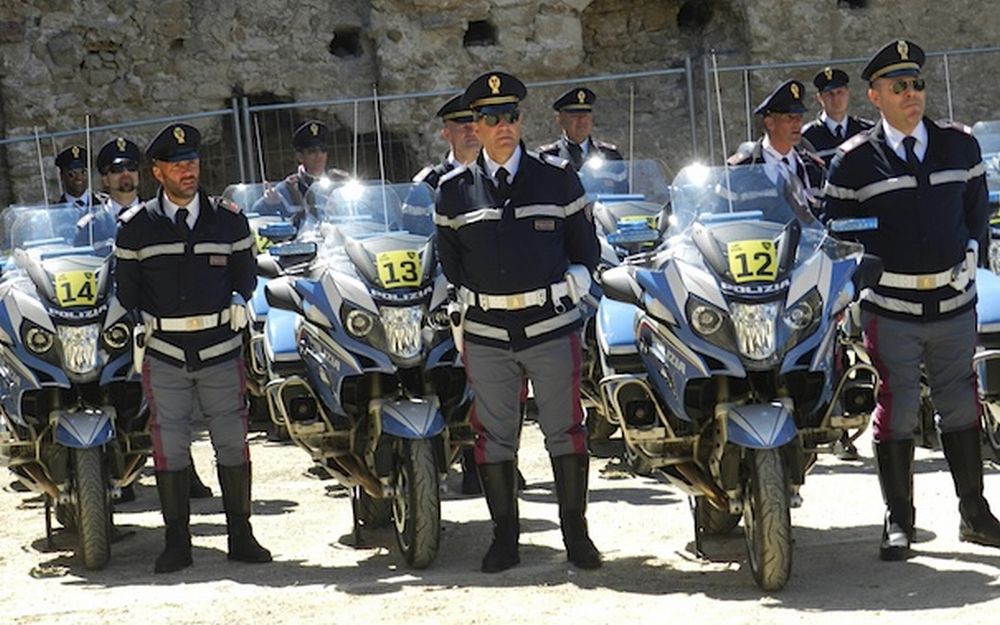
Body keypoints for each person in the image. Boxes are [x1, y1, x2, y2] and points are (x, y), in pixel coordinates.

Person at [822, 39, 1000, 560]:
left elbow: (975, 208)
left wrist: (973, 248)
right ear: (874, 96)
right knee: (896, 407)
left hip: (952, 301)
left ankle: (975, 512)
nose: (911, 94)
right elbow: (835, 229)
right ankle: (899, 518)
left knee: (961, 403)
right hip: (891, 308)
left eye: (917, 84)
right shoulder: (853, 163)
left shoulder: (959, 145)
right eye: (898, 87)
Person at [435, 71, 601, 572]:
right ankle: (505, 539)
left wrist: (577, 277)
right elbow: (451, 261)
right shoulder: (452, 191)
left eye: (510, 116)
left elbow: (585, 249)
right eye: (490, 118)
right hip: (487, 333)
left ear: (520, 121)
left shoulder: (556, 177)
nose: (502, 125)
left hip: (549, 326)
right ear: (475, 128)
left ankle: (576, 535)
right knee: (494, 436)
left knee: (565, 430)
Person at [114, 123, 271, 573]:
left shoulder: (229, 218)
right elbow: (129, 292)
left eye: (193, 161)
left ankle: (241, 536)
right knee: (171, 445)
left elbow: (245, 275)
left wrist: (241, 302)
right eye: (178, 164)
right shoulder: (136, 228)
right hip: (165, 351)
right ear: (157, 171)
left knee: (231, 441)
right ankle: (177, 543)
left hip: (220, 347)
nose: (189, 170)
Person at [89, 136, 216, 501]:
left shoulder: (157, 215)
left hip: (149, 316)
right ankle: (114, 475)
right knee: (107, 389)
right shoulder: (89, 222)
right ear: (105, 178)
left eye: (130, 168)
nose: (125, 176)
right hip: (103, 317)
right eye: (116, 170)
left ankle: (184, 471)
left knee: (166, 399)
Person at [728, 79, 826, 207]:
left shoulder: (813, 168)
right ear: (770, 123)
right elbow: (720, 218)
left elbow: (824, 218)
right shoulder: (741, 170)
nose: (797, 123)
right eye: (790, 118)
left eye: (799, 117)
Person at [254, 120, 349, 223]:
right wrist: (268, 204)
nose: (319, 155)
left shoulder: (339, 182)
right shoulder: (289, 187)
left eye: (323, 149)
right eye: (312, 151)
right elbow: (256, 213)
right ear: (300, 156)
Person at [538, 87, 623, 171]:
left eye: (585, 115)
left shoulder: (610, 155)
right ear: (559, 119)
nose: (581, 121)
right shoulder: (547, 157)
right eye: (575, 116)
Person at [802, 67, 874, 166]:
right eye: (829, 94)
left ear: (848, 93)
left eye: (840, 92)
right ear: (819, 97)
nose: (836, 99)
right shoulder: (807, 136)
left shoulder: (866, 131)